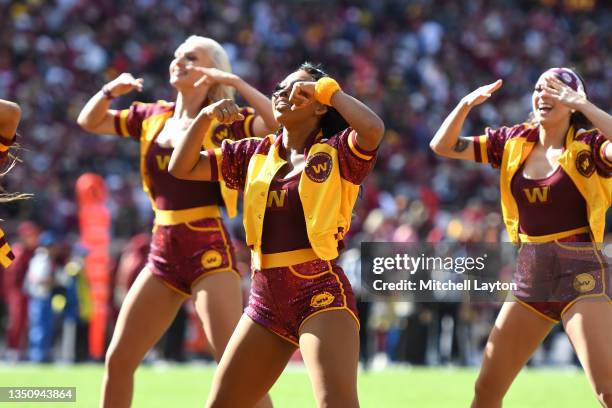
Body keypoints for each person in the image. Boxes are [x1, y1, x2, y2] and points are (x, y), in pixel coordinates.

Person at [76, 35, 277, 408]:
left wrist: (235, 84)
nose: (179, 62)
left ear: (210, 69)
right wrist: (109, 89)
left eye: (191, 57)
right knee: (118, 360)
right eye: (177, 56)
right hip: (161, 247)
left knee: (233, 366)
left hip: (208, 249)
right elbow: (89, 121)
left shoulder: (225, 118)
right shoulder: (152, 115)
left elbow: (276, 125)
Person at [169, 62, 384, 408]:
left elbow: (373, 130)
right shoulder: (252, 152)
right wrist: (206, 116)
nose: (282, 94)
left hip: (320, 295)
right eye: (280, 88)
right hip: (264, 300)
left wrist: (329, 90)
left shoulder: (338, 152)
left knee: (336, 404)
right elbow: (181, 167)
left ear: (319, 105)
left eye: (298, 90)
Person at [429, 67, 611, 407]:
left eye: (556, 91)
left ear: (573, 102)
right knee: (486, 391)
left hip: (582, 273)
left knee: (608, 390)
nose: (544, 95)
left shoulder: (588, 146)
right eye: (540, 88)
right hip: (531, 274)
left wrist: (585, 107)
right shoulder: (513, 141)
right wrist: (466, 104)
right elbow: (443, 145)